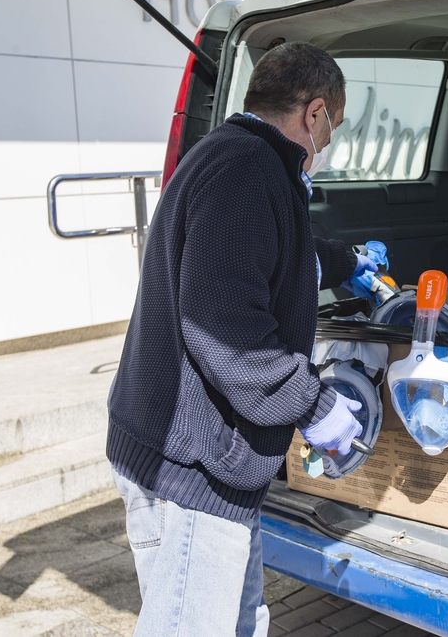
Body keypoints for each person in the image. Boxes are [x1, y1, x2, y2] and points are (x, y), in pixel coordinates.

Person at [106, 41, 379, 637]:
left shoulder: (234, 158)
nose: (326, 146)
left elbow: (263, 260)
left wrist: (344, 261)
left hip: (200, 459)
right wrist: (312, 404)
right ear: (315, 114)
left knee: (243, 622)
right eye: (330, 129)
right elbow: (227, 329)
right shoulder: (247, 172)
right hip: (188, 471)